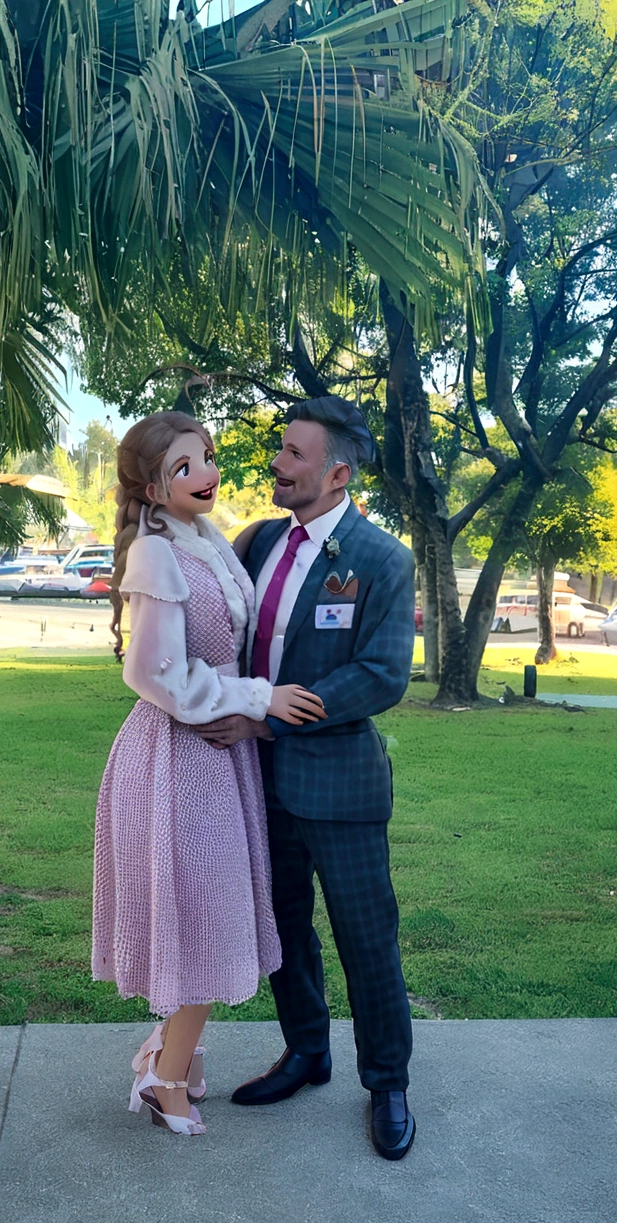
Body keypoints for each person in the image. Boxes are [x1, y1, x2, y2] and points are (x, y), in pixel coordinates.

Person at [192, 395, 417, 1160]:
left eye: (293, 454)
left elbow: (382, 676)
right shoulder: (259, 544)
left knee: (365, 939)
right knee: (284, 927)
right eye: (280, 449)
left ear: (337, 472)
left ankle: (387, 1083)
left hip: (342, 786)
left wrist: (269, 718)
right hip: (258, 783)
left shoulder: (383, 559)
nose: (277, 464)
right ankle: (306, 1053)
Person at [91, 411, 325, 1137]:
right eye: (184, 467)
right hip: (178, 755)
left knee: (210, 913)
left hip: (216, 754)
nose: (206, 475)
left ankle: (173, 1054)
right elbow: (152, 671)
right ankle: (165, 1076)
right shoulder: (157, 554)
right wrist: (258, 697)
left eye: (208, 459)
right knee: (204, 919)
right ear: (152, 487)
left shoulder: (204, 540)